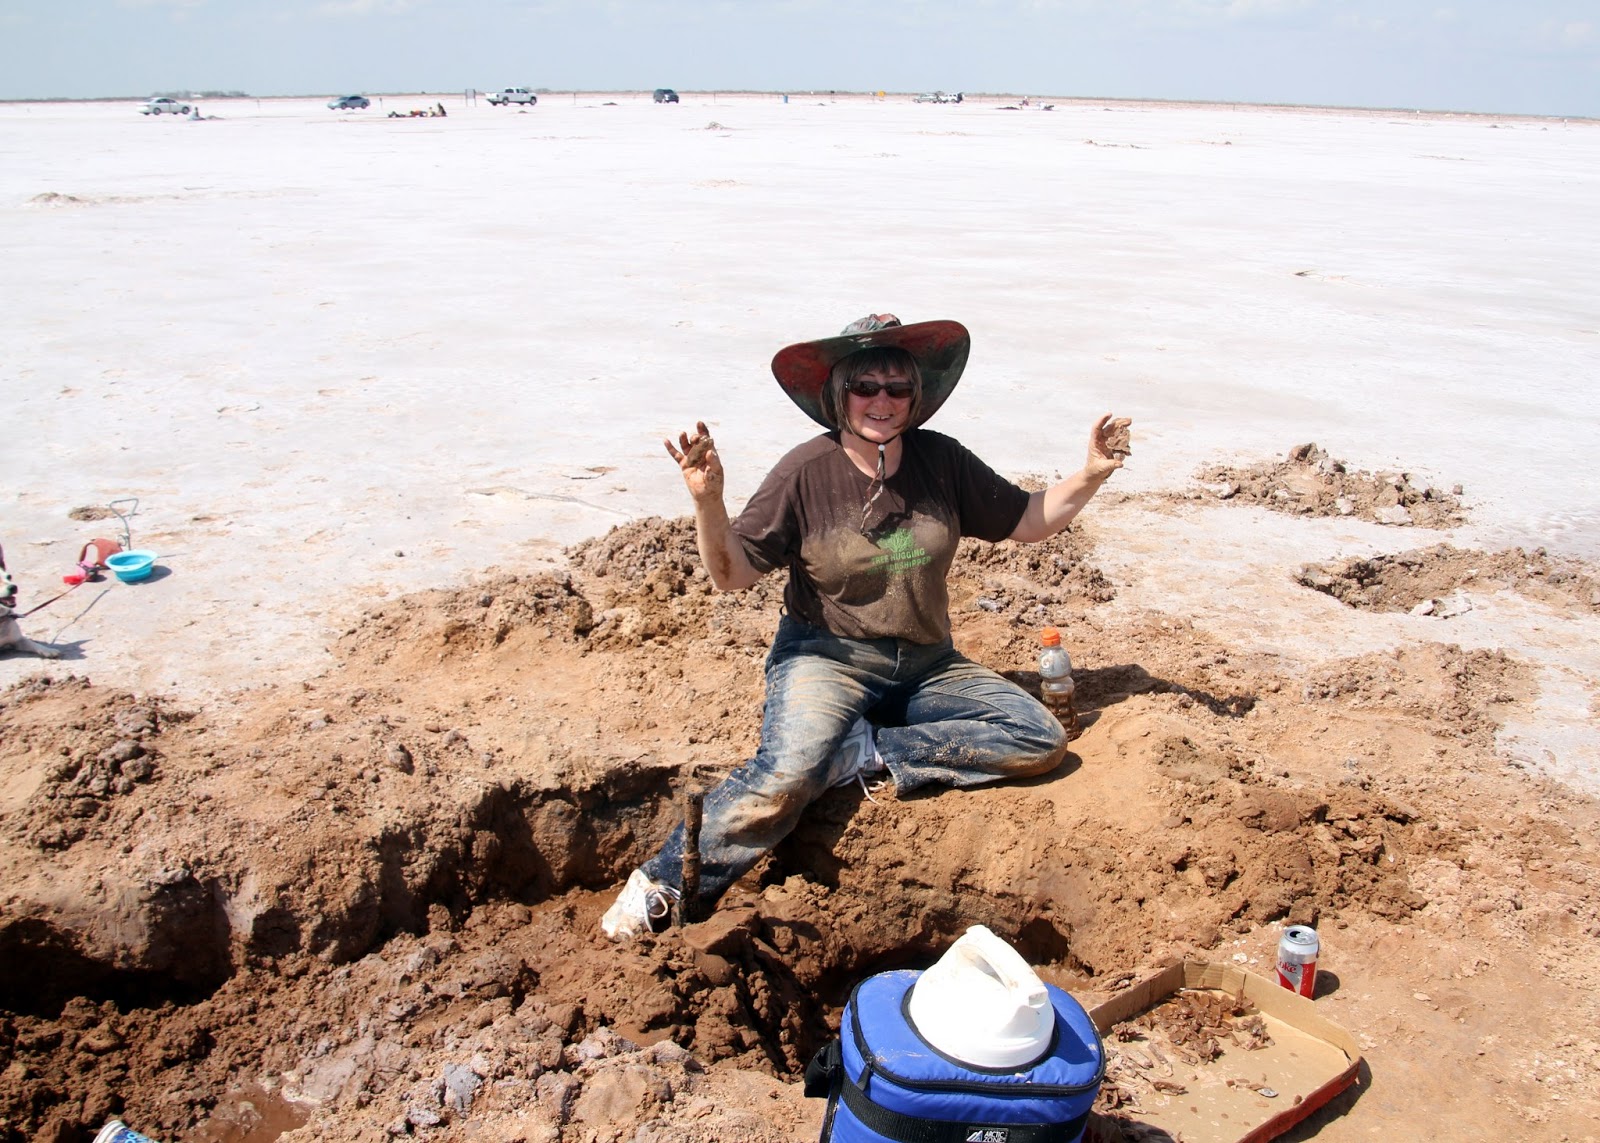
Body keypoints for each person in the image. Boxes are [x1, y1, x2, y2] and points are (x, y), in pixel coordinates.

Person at [600, 314, 1132, 939]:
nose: (882, 400)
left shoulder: (942, 461)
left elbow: (1030, 520)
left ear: (915, 397)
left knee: (1038, 736)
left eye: (897, 388)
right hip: (827, 658)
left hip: (927, 663)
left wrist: (1092, 472)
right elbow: (731, 573)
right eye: (866, 387)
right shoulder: (804, 472)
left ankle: (867, 749)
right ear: (839, 396)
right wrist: (708, 501)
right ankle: (662, 885)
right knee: (787, 775)